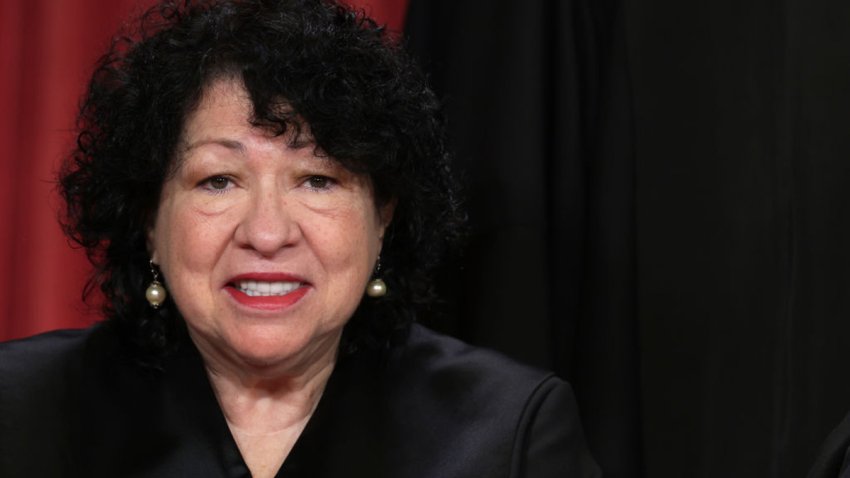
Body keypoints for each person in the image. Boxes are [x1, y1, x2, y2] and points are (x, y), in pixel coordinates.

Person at [0, 1, 601, 476]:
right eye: (218, 181)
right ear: (149, 221)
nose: (267, 233)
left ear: (383, 217)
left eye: (318, 179)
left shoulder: (507, 433)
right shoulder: (19, 411)